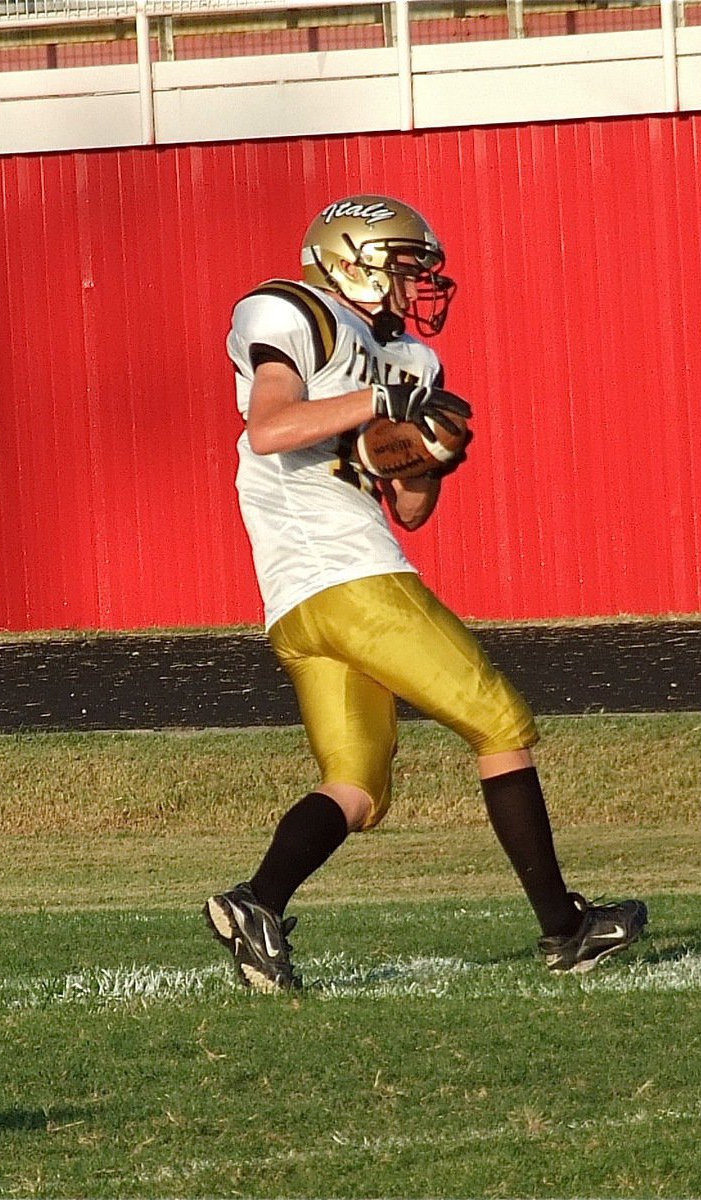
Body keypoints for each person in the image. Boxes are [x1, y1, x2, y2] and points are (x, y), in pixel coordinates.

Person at [204, 193, 647, 991]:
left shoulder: (410, 359)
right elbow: (268, 427)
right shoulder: (293, 311)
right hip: (344, 575)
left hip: (310, 595)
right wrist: (381, 402)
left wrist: (425, 459)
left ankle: (255, 904)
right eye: (407, 270)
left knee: (358, 786)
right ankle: (564, 928)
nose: (418, 288)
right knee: (499, 720)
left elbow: (406, 510)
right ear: (357, 261)